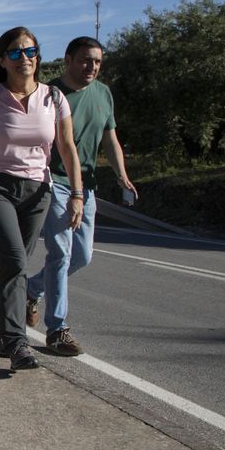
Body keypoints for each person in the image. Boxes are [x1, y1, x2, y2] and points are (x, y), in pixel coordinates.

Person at [0, 26, 83, 372]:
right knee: (15, 263)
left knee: (12, 266)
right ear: (2, 60)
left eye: (30, 51)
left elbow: (67, 148)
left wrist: (76, 194)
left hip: (38, 191)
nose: (24, 58)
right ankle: (17, 343)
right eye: (15, 53)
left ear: (37, 57)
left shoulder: (54, 98)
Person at [25, 37, 137, 356]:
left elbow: (110, 138)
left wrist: (121, 175)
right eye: (86, 60)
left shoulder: (103, 93)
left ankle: (31, 289)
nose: (92, 67)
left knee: (82, 256)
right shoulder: (50, 94)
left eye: (98, 62)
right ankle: (57, 329)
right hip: (55, 181)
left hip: (87, 184)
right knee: (60, 254)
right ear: (69, 60)